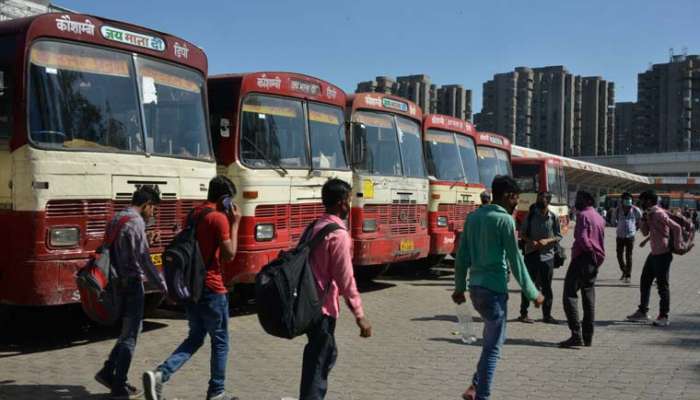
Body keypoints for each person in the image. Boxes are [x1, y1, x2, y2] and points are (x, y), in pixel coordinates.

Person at [143, 176, 241, 400]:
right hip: (212, 288)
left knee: (196, 337)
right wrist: (235, 224)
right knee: (221, 341)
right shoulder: (219, 219)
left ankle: (161, 374)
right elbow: (230, 254)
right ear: (225, 199)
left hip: (191, 285)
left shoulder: (194, 213)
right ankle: (217, 392)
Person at [453, 175, 544, 400]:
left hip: (475, 290)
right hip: (494, 292)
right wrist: (532, 292)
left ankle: (475, 385)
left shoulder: (473, 217)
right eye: (516, 199)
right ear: (507, 196)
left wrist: (459, 288)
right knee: (494, 347)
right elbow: (516, 260)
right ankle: (482, 395)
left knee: (494, 339)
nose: (517, 204)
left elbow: (461, 256)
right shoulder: (505, 221)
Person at [294, 178, 371, 400]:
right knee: (319, 362)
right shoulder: (338, 234)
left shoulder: (315, 226)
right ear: (340, 203)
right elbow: (345, 279)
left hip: (309, 302)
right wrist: (360, 315)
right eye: (347, 200)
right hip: (322, 308)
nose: (350, 206)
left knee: (323, 355)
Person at [94, 186, 167, 400]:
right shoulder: (135, 222)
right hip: (131, 284)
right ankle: (119, 385)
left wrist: (146, 239)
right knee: (131, 336)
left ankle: (108, 371)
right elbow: (144, 260)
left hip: (115, 282)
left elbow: (121, 247)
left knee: (129, 332)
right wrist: (163, 285)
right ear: (146, 205)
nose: (153, 214)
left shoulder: (117, 218)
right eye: (153, 209)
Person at [626, 190, 682, 327]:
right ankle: (643, 311)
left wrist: (677, 246)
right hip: (654, 254)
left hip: (662, 254)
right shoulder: (650, 214)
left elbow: (677, 227)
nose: (641, 203)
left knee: (662, 286)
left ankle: (664, 316)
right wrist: (644, 220)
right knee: (645, 281)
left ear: (649, 201)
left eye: (643, 200)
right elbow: (647, 231)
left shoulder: (658, 213)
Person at [559, 190, 605, 348]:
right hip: (594, 261)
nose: (576, 201)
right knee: (588, 297)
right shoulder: (599, 217)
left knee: (569, 295)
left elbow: (582, 238)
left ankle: (576, 334)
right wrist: (596, 257)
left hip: (582, 259)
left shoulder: (583, 216)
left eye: (578, 198)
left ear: (587, 200)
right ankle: (588, 336)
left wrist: (588, 250)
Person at [518, 191, 563, 324]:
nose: (540, 201)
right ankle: (523, 313)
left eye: (542, 199)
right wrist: (530, 241)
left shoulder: (553, 217)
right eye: (538, 198)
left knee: (547, 287)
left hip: (548, 257)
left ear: (548, 201)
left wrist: (547, 241)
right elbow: (522, 233)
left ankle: (547, 315)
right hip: (531, 255)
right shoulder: (530, 215)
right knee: (528, 285)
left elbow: (559, 236)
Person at [615, 192, 642, 283]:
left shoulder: (635, 210)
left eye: (629, 199)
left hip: (630, 236)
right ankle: (624, 270)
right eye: (625, 199)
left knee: (628, 255)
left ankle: (628, 275)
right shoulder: (618, 210)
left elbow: (640, 220)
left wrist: (635, 229)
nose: (627, 201)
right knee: (619, 255)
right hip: (620, 236)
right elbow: (615, 220)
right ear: (622, 201)